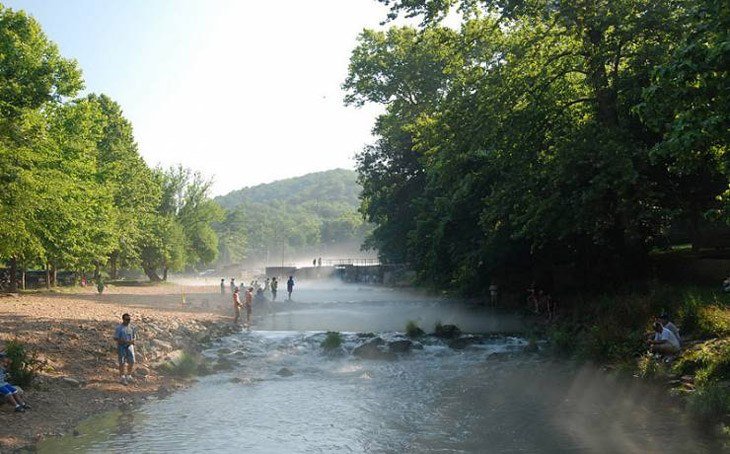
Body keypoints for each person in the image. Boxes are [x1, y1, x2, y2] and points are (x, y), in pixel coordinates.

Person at [113, 313, 137, 385]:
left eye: (129, 319)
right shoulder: (119, 328)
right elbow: (115, 338)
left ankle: (129, 375)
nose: (128, 321)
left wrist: (133, 340)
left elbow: (134, 336)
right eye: (127, 319)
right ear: (123, 319)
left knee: (132, 361)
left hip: (130, 346)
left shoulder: (132, 327)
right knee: (122, 362)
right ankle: (122, 377)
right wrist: (125, 341)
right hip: (122, 346)